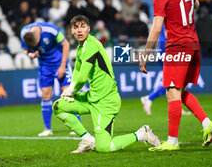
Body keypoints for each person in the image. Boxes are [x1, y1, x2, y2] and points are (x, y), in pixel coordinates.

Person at [139, 0, 212, 151]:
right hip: (193, 44)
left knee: (172, 92)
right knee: (179, 91)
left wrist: (145, 55)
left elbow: (156, 29)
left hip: (177, 45)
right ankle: (207, 123)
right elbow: (196, 4)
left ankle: (172, 142)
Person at [53, 15, 160, 153]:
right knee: (58, 106)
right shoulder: (81, 49)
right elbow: (76, 73)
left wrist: (71, 91)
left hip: (106, 101)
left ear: (89, 29)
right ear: (71, 31)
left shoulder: (91, 45)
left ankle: (142, 134)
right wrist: (69, 88)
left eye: (83, 26)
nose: (79, 30)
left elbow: (81, 79)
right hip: (93, 97)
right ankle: (87, 139)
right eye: (76, 27)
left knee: (104, 147)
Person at [20, 22, 75, 136]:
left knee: (68, 93)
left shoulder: (51, 30)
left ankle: (75, 126)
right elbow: (26, 49)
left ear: (37, 35)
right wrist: (30, 55)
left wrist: (62, 66)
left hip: (60, 62)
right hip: (44, 66)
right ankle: (47, 129)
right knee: (45, 94)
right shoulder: (24, 33)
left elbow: (66, 45)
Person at [140, 27, 191, 116]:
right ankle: (149, 98)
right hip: (167, 51)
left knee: (174, 81)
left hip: (164, 50)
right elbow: (168, 34)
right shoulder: (168, 19)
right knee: (172, 81)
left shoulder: (163, 18)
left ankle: (177, 107)